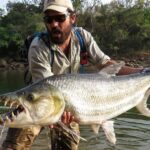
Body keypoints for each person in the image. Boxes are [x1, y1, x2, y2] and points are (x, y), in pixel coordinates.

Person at [1, 0, 150, 150]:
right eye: (49, 19)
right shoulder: (37, 47)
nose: (54, 24)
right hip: (36, 105)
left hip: (68, 106)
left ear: (72, 18)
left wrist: (143, 73)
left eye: (59, 18)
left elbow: (105, 64)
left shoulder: (83, 37)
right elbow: (46, 89)